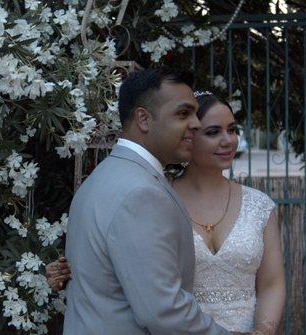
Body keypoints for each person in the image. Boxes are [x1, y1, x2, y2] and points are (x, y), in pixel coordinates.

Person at [49, 90, 285, 334]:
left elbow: (271, 283)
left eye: (233, 129)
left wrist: (264, 330)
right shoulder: (152, 199)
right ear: (188, 135)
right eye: (213, 132)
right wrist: (69, 270)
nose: (228, 140)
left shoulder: (259, 205)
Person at [62, 68, 230, 335]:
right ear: (143, 119)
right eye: (183, 113)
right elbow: (163, 311)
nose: (197, 124)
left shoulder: (103, 177)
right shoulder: (141, 193)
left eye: (196, 114)